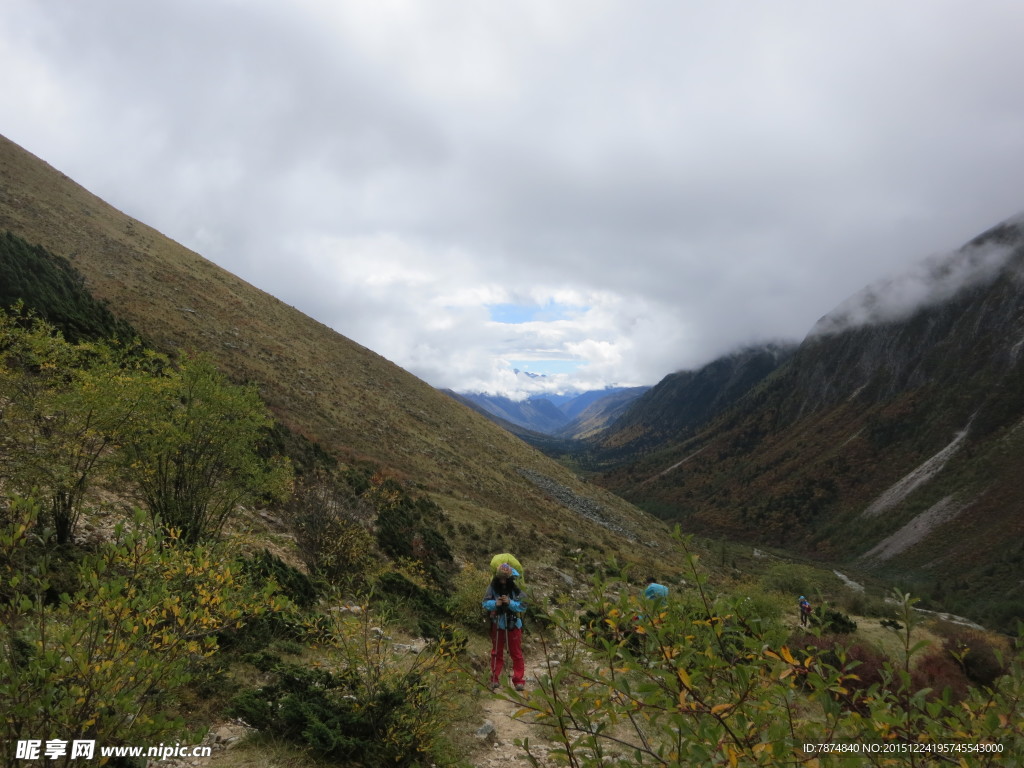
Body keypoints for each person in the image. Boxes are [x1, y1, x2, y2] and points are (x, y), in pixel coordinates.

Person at [483, 562, 526, 691]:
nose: (502, 581)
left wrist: (510, 603)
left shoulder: (516, 589)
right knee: (496, 653)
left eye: (505, 578)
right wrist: (495, 603)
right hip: (497, 623)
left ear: (509, 578)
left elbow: (523, 605)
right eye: (500, 578)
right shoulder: (491, 588)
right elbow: (485, 603)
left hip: (513, 624)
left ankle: (519, 680)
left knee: (516, 653)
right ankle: (494, 679)